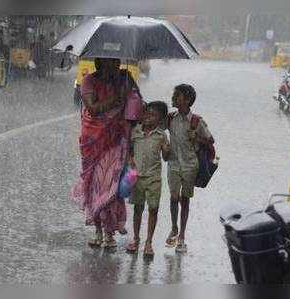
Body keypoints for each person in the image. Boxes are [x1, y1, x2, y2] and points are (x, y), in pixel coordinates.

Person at [72, 57, 143, 249]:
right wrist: (117, 99)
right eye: (110, 62)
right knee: (95, 186)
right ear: (99, 63)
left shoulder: (125, 78)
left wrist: (130, 94)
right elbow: (93, 109)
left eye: (117, 61)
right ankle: (97, 230)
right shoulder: (89, 81)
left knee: (111, 186)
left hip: (117, 140)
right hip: (93, 141)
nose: (115, 65)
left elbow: (138, 106)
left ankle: (109, 232)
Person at [165, 84, 213, 253]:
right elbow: (154, 125)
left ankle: (182, 236)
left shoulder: (197, 121)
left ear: (187, 100)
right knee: (173, 197)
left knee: (185, 200)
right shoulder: (170, 118)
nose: (173, 98)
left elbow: (210, 141)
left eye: (177, 95)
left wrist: (198, 138)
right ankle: (174, 227)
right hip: (173, 164)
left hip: (190, 166)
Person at [125, 101, 171, 257]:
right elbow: (129, 150)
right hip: (137, 177)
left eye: (153, 115)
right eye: (146, 113)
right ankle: (136, 239)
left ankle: (148, 242)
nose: (148, 117)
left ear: (160, 120)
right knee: (138, 208)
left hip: (153, 178)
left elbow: (166, 157)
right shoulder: (135, 132)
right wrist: (130, 159)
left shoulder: (161, 136)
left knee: (153, 209)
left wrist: (166, 150)